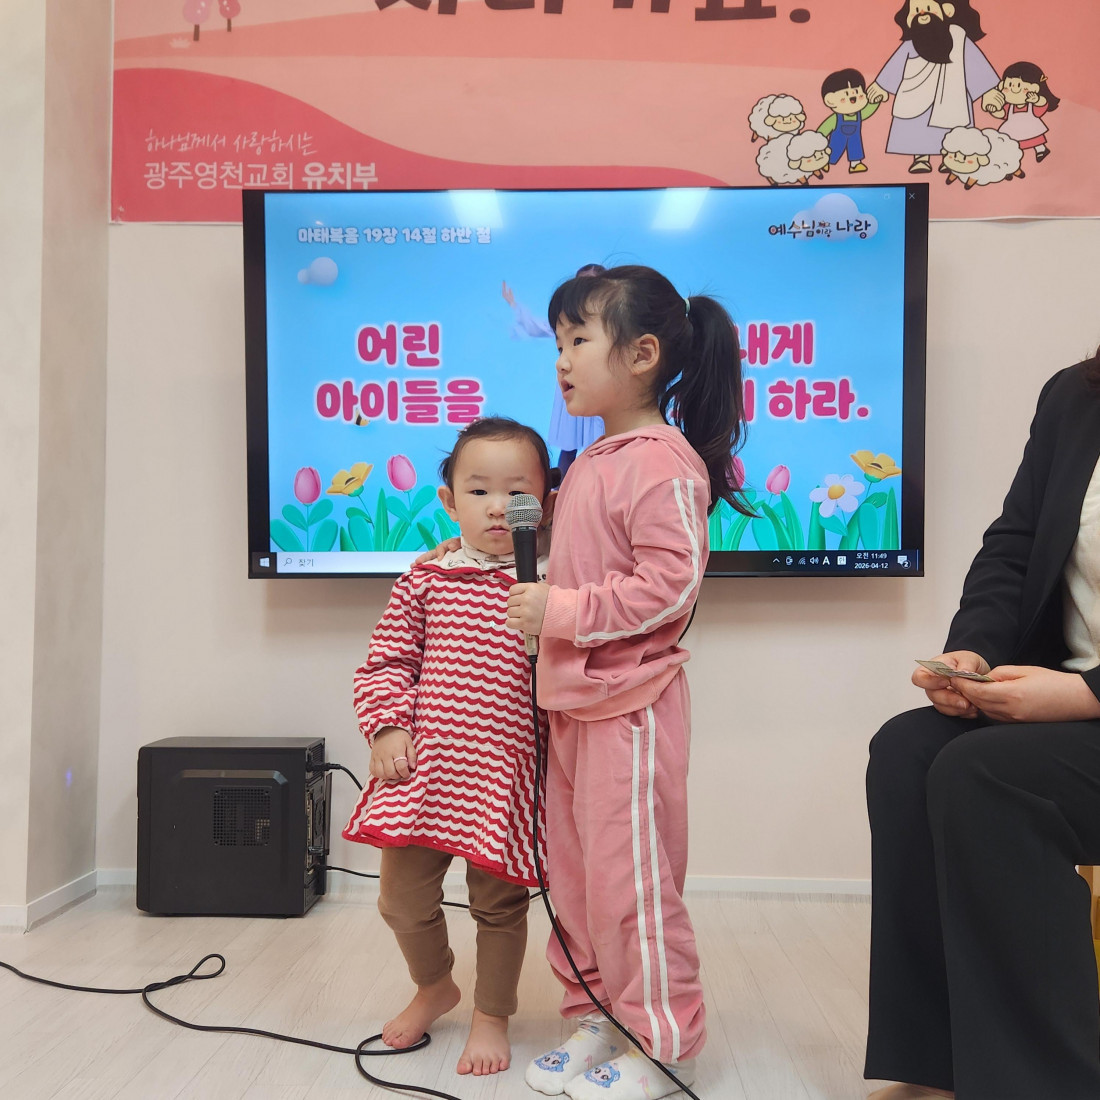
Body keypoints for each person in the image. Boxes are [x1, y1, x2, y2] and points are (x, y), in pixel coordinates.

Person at [506, 265, 752, 1100]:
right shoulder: (591, 460)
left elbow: (670, 586)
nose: (561, 359)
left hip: (631, 711)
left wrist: (562, 610)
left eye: (578, 339)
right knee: (576, 881)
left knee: (632, 884)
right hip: (573, 708)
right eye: (559, 341)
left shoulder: (662, 461)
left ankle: (662, 1043)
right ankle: (597, 1017)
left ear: (643, 354)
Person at [865, 351, 1100, 1100]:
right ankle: (937, 1068)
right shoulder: (1075, 397)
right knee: (906, 750)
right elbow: (1014, 547)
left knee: (986, 774)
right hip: (1068, 701)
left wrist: (1088, 695)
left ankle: (1046, 1083)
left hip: (1084, 705)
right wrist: (974, 653)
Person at [342, 417, 553, 1077]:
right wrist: (388, 727)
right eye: (479, 491)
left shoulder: (556, 586)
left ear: (545, 502)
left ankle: (492, 1013)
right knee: (400, 898)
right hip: (426, 773)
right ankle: (434, 985)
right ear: (449, 502)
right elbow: (386, 663)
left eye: (517, 492)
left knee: (500, 906)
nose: (497, 507)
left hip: (505, 776)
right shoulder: (426, 580)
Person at [867, 0, 1002, 175]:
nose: (922, 13)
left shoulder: (960, 41)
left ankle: (951, 156)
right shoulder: (910, 44)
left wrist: (988, 92)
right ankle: (920, 158)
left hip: (953, 98)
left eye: (929, 8)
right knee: (916, 129)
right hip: (914, 97)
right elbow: (895, 67)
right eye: (916, 10)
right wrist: (881, 86)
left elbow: (976, 67)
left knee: (953, 131)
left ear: (947, 11)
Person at [502, 264, 607, 477]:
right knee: (569, 446)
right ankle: (561, 493)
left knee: (602, 444)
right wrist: (514, 305)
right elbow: (536, 327)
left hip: (601, 386)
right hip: (572, 384)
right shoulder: (565, 318)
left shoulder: (613, 318)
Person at [986, 61, 1060, 164]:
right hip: (1014, 129)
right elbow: (1002, 113)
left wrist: (1037, 100)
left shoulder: (1031, 106)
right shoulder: (1010, 107)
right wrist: (994, 110)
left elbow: (1042, 105)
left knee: (1036, 139)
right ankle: (1014, 157)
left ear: (1035, 88)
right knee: (1014, 143)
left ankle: (1041, 149)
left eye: (1019, 86)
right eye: (1009, 85)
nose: (1014, 89)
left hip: (1030, 127)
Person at [817, 68, 881, 173]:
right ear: (830, 100)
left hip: (854, 137)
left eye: (858, 93)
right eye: (846, 95)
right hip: (838, 137)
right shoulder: (835, 118)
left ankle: (855, 164)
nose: (853, 98)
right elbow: (824, 129)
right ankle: (826, 162)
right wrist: (816, 139)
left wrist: (875, 101)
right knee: (834, 149)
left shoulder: (860, 114)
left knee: (855, 147)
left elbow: (869, 110)